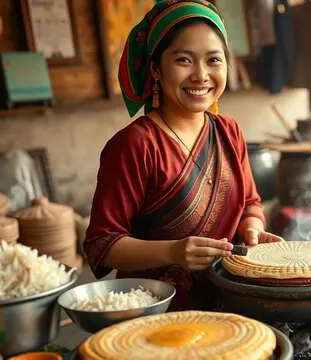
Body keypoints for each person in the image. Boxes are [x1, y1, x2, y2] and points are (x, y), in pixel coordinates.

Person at [84, 0, 282, 310]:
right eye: (184, 60)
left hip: (229, 301)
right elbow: (103, 243)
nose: (201, 75)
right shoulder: (135, 145)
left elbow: (250, 204)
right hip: (154, 309)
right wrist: (173, 252)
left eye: (214, 60)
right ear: (155, 69)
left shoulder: (229, 131)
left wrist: (252, 230)